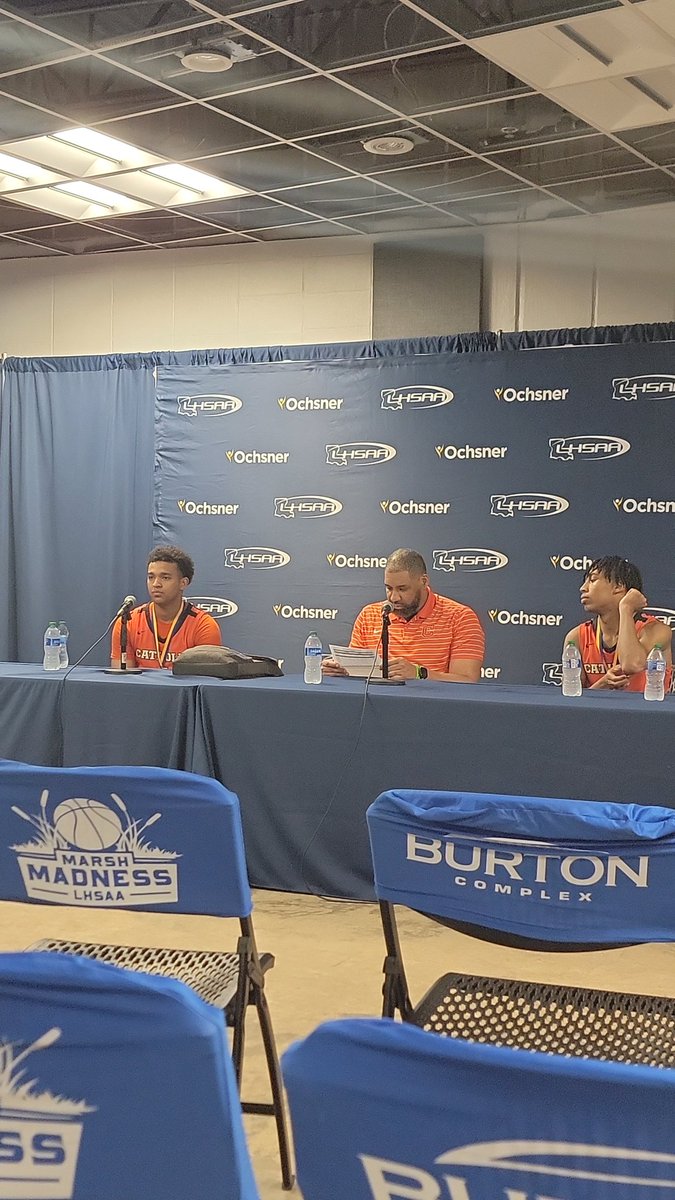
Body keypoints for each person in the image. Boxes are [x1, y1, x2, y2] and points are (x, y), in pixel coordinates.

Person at [323, 548, 485, 682]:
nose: (394, 597)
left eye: (402, 589)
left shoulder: (461, 617)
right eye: (388, 588)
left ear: (423, 581)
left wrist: (419, 673)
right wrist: (340, 670)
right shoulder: (370, 615)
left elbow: (468, 680)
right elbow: (356, 673)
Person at [562, 555, 672, 692]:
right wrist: (603, 684)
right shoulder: (577, 637)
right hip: (596, 713)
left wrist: (626, 609)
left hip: (647, 712)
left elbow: (632, 664)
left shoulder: (656, 630)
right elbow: (570, 697)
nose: (583, 588)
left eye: (593, 580)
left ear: (618, 586)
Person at [111, 545, 221, 669]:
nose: (156, 584)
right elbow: (121, 681)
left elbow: (204, 682)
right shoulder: (127, 623)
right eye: (151, 577)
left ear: (183, 583)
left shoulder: (203, 626)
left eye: (165, 578)